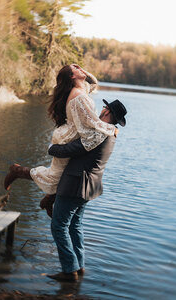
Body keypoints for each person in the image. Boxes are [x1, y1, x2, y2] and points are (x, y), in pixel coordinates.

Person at [4, 65, 118, 216]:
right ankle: (17, 171)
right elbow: (92, 122)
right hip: (67, 138)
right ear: (72, 77)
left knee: (63, 176)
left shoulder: (82, 87)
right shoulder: (79, 96)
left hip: (72, 134)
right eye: (76, 69)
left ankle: (48, 201)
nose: (80, 68)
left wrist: (80, 70)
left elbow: (94, 82)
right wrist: (111, 129)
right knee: (55, 176)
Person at [47, 99, 127, 282]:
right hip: (89, 188)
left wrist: (52, 148)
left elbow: (74, 148)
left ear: (107, 112)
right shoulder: (111, 133)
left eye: (104, 107)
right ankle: (79, 266)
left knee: (58, 226)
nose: (101, 109)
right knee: (75, 226)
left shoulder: (100, 132)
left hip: (75, 185)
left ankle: (69, 271)